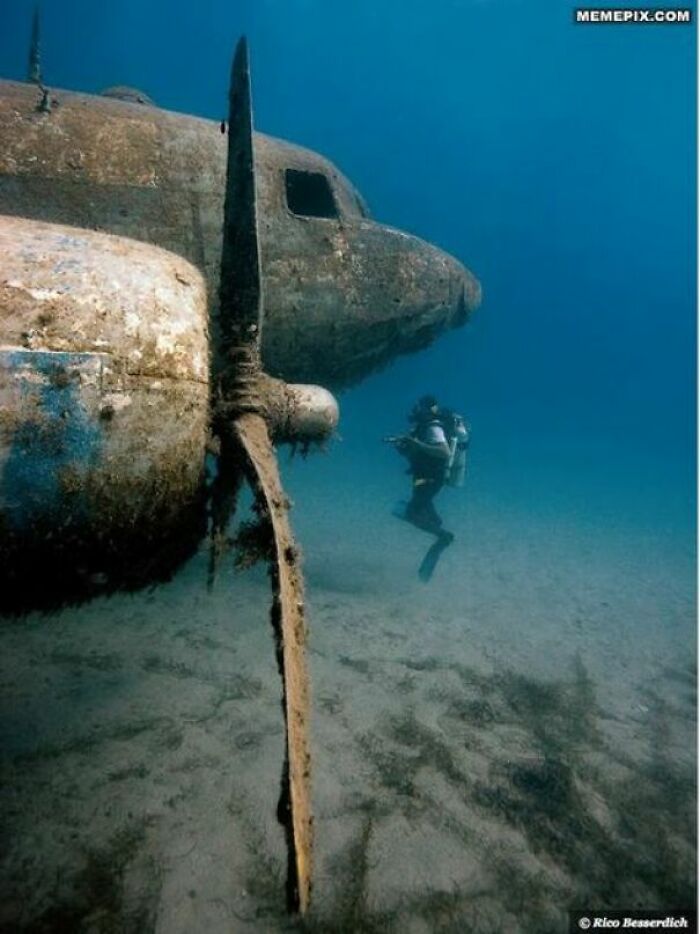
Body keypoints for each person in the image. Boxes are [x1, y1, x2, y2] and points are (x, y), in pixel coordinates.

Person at [386, 395, 470, 581]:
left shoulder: (433, 427)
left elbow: (444, 451)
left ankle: (443, 536)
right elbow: (419, 453)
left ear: (426, 407)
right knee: (422, 510)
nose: (415, 409)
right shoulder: (427, 426)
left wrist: (415, 443)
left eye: (418, 406)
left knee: (411, 513)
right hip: (426, 477)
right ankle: (437, 525)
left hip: (431, 478)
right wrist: (405, 447)